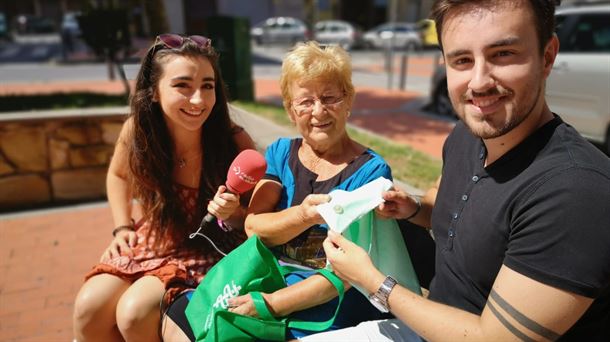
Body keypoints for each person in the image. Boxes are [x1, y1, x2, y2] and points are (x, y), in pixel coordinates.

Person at [303, 0, 610, 341]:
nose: (478, 83)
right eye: (462, 60)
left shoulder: (575, 191)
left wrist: (373, 281)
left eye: (503, 54)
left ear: (548, 55)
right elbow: (454, 209)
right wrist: (414, 208)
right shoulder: (467, 135)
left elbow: (494, 339)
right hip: (426, 324)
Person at [162, 41, 395, 341]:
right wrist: (303, 215)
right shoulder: (281, 153)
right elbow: (254, 227)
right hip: (266, 279)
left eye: (330, 98)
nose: (319, 111)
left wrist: (270, 304)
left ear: (349, 100)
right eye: (306, 101)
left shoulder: (371, 172)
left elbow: (346, 274)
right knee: (180, 319)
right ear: (289, 110)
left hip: (325, 305)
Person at [72, 33, 255, 342]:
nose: (198, 100)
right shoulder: (139, 131)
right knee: (88, 309)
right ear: (154, 92)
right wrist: (121, 227)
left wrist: (235, 212)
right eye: (182, 86)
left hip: (207, 249)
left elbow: (259, 213)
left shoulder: (233, 141)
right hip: (153, 238)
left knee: (134, 313)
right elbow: (117, 176)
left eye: (207, 86)